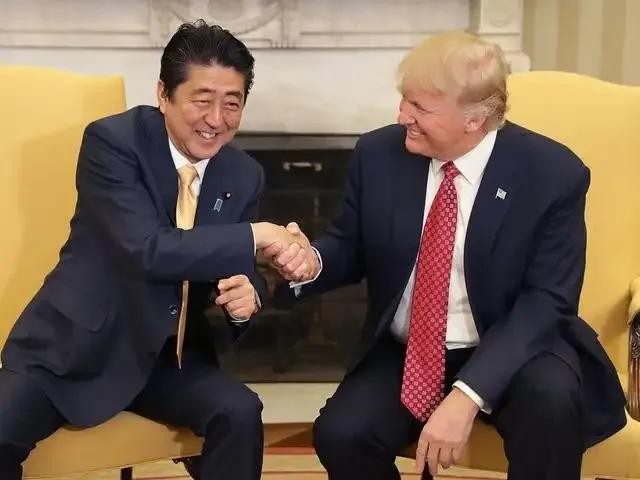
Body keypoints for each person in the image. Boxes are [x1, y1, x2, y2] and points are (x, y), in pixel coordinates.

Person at [266, 31, 626, 480]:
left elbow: (547, 300)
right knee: (342, 435)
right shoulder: (379, 154)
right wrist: (309, 262)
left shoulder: (552, 173)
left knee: (551, 404)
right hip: (409, 350)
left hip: (513, 345)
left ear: (474, 119)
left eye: (421, 108)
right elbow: (349, 244)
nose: (403, 116)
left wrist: (466, 395)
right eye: (405, 99)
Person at [0, 20, 306, 480]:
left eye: (232, 103)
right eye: (202, 100)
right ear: (164, 94)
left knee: (239, 412)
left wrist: (249, 295)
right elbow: (147, 248)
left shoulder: (243, 174)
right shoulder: (112, 142)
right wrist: (257, 234)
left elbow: (237, 267)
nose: (216, 119)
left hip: (167, 360)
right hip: (74, 351)